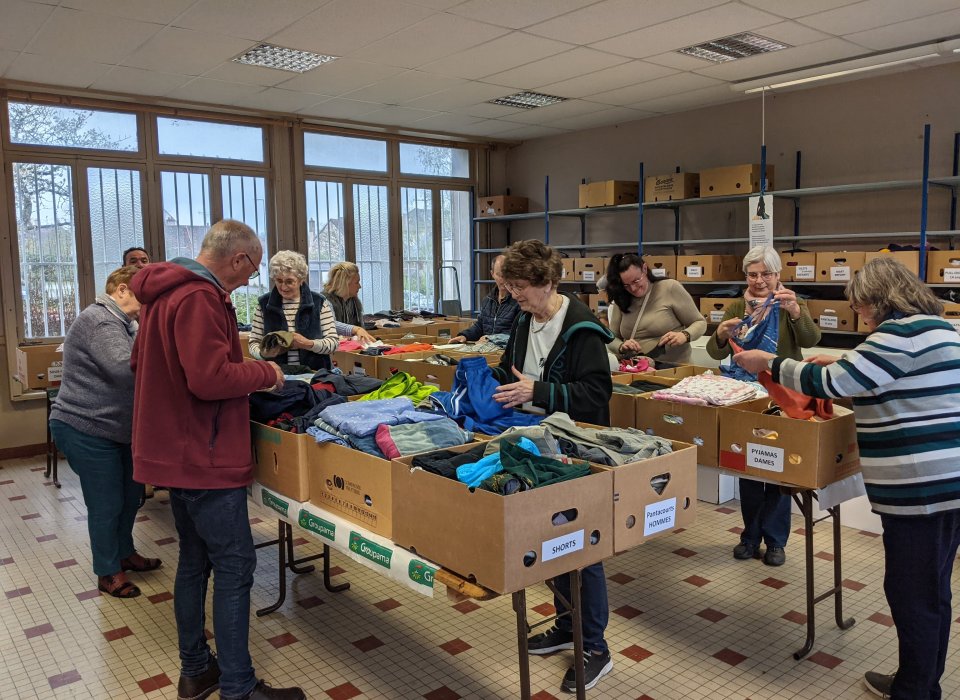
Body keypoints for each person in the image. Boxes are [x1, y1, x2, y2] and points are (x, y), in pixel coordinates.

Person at [732, 256, 960, 700]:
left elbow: (836, 383)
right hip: (945, 483)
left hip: (921, 490)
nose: (860, 314)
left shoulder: (900, 334)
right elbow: (874, 379)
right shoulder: (937, 328)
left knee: (913, 594)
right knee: (931, 591)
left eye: (861, 305)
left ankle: (916, 691)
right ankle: (918, 679)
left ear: (881, 299)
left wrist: (771, 363)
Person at [130, 220, 304, 700]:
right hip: (203, 458)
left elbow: (138, 364)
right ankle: (239, 687)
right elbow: (208, 379)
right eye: (254, 268)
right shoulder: (201, 298)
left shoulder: (161, 295)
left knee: (193, 563)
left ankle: (196, 670)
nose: (253, 280)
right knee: (234, 566)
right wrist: (264, 372)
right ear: (239, 260)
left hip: (170, 452)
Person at [491, 239, 615, 693]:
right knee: (552, 539)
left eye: (521, 287)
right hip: (537, 449)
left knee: (584, 548)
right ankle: (567, 626)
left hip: (577, 451)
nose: (515, 295)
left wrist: (536, 393)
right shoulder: (526, 319)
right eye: (510, 286)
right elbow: (512, 370)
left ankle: (595, 647)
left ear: (548, 282)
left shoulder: (583, 328)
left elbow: (596, 396)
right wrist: (497, 384)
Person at [49, 265, 159, 599]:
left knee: (130, 497)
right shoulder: (100, 320)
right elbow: (124, 369)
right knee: (106, 502)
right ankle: (108, 571)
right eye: (145, 292)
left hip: (117, 430)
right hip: (85, 427)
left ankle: (124, 552)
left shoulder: (129, 324)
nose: (150, 301)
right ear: (122, 289)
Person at [706, 246, 820, 567]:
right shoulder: (736, 306)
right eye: (753, 274)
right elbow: (718, 354)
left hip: (783, 395)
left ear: (777, 276)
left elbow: (811, 339)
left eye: (766, 274)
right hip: (746, 395)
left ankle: (776, 542)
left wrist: (797, 311)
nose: (759, 280)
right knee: (750, 468)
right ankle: (750, 536)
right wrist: (718, 332)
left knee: (778, 468)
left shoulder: (788, 304)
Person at [605, 252, 706, 364]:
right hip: (636, 369)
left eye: (636, 281)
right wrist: (621, 346)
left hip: (673, 369)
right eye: (626, 285)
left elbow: (700, 322)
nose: (633, 288)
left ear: (644, 269)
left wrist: (685, 335)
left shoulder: (669, 287)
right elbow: (611, 337)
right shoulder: (621, 296)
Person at [248, 250, 340, 370]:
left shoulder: (319, 302)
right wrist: (263, 354)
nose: (283, 287)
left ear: (301, 279)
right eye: (279, 281)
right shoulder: (264, 304)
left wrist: (308, 344)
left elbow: (333, 343)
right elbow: (253, 343)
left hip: (315, 374)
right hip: (277, 375)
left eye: (289, 281)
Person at [451, 254, 519, 343]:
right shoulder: (488, 300)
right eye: (499, 275)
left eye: (507, 275)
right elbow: (480, 326)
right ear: (492, 274)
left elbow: (517, 332)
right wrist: (465, 335)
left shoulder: (519, 301)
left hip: (506, 352)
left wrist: (492, 339)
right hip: (487, 350)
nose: (503, 280)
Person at [322, 261, 375, 342]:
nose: (359, 286)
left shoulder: (354, 302)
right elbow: (330, 324)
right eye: (356, 282)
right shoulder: (324, 300)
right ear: (345, 283)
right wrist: (356, 329)